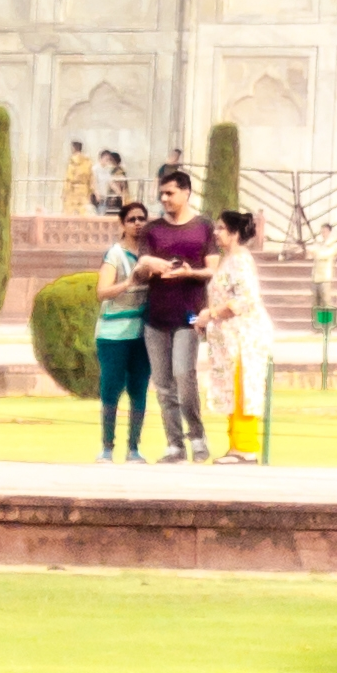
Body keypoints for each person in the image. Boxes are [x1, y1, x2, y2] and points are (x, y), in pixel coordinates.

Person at [134, 161, 212, 460]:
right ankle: (174, 445)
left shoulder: (202, 227)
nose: (164, 199)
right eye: (161, 194)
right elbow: (140, 272)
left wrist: (188, 273)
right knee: (164, 385)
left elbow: (212, 271)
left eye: (169, 193)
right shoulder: (153, 230)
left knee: (184, 374)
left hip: (190, 315)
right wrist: (150, 265)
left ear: (186, 192)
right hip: (156, 317)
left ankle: (197, 436)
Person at [201, 210, 275, 461]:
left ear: (234, 233)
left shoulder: (240, 259)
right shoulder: (227, 259)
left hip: (244, 336)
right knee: (230, 388)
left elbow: (246, 298)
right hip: (228, 337)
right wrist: (204, 318)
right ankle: (235, 445)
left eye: (221, 228)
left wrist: (212, 313)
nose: (216, 232)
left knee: (243, 387)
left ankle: (245, 447)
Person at [90, 221, 150, 456]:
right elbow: (101, 292)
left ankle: (134, 448)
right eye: (132, 219)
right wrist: (128, 283)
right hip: (113, 334)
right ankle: (107, 446)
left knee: (139, 390)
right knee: (111, 389)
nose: (138, 223)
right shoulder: (115, 255)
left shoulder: (150, 255)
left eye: (142, 219)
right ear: (123, 224)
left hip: (141, 333)